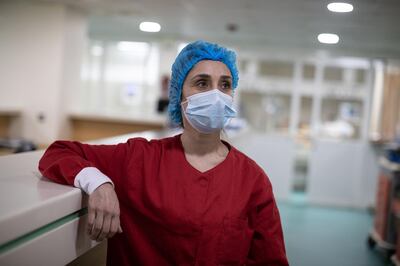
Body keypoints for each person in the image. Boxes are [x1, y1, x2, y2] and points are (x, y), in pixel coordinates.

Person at [38, 40, 289, 266]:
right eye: (202, 83)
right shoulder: (139, 159)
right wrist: (97, 182)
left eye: (225, 85)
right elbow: (58, 152)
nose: (215, 95)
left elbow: (272, 260)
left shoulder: (253, 180)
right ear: (179, 94)